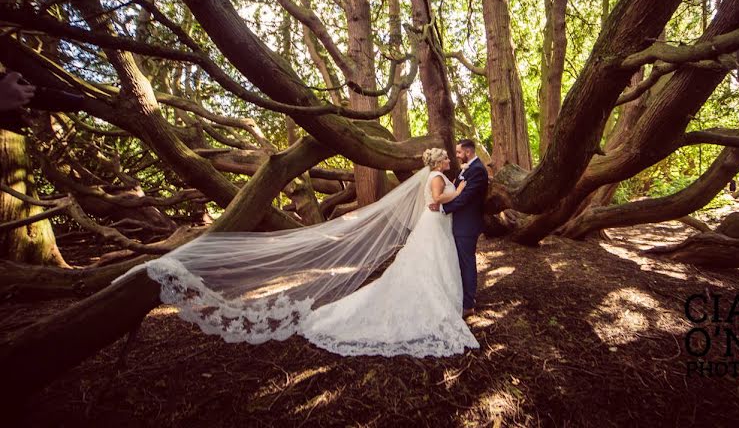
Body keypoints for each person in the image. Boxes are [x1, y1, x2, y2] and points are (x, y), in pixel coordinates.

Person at [123, 147, 480, 357]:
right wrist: (457, 190)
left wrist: (458, 189)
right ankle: (435, 307)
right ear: (436, 163)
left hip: (437, 230)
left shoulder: (439, 174)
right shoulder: (436, 179)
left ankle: (446, 302)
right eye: (446, 158)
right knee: (425, 269)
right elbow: (436, 201)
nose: (450, 159)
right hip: (434, 228)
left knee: (429, 269)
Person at [430, 139, 488, 318]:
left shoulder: (477, 170)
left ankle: (469, 304)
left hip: (467, 225)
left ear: (468, 152)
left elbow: (466, 198)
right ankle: (460, 296)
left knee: (467, 263)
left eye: (459, 152)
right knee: (459, 263)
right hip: (458, 223)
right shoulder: (467, 168)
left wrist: (443, 208)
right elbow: (456, 191)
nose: (456, 156)